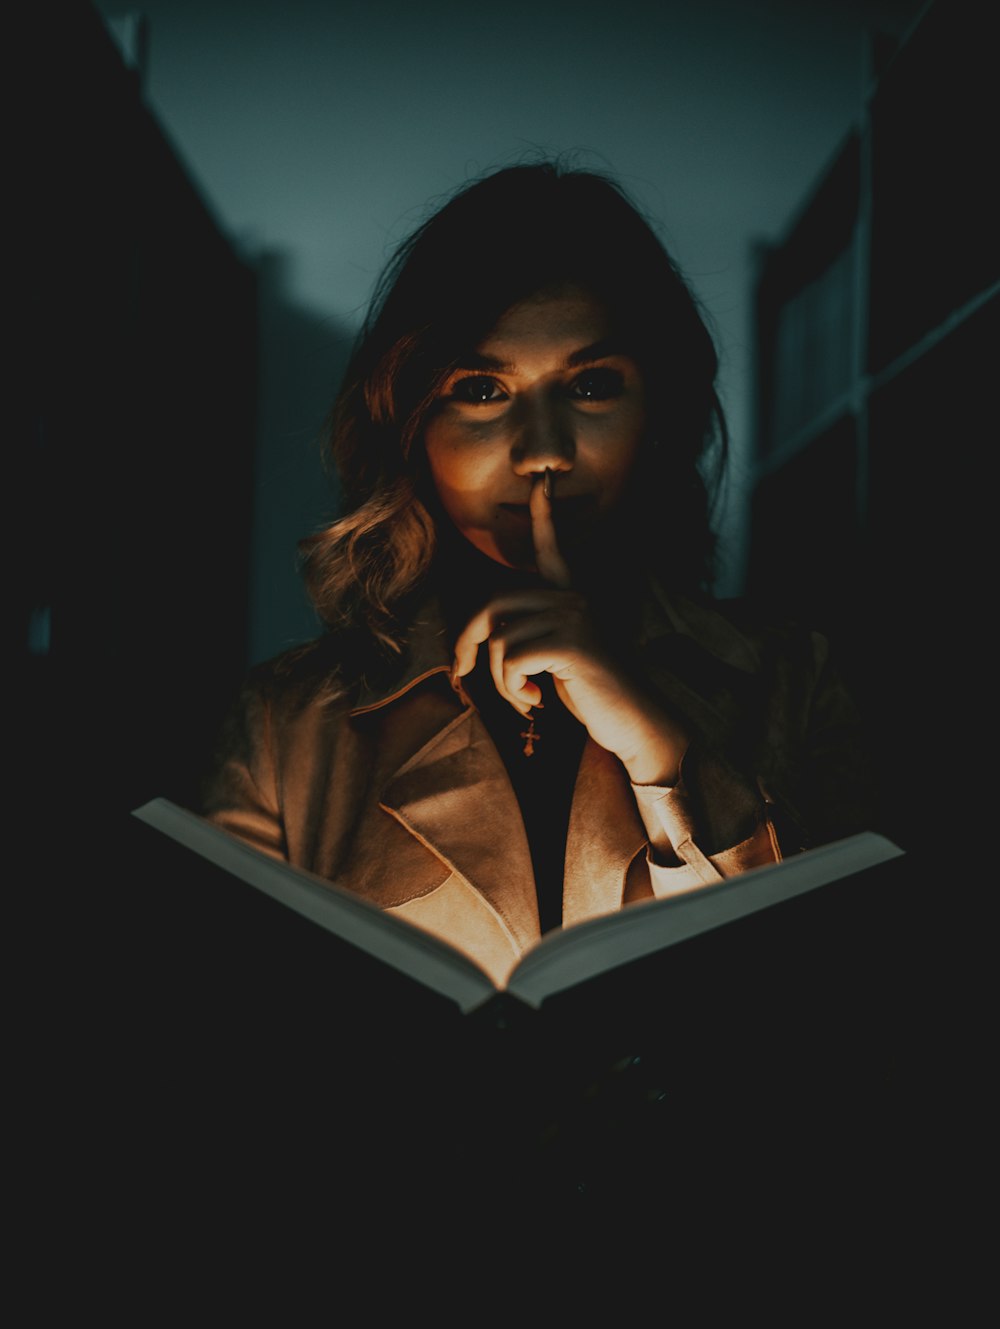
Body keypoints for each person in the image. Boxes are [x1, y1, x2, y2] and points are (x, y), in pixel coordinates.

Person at [200, 160, 874, 990]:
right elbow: (218, 1031)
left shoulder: (794, 681)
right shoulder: (284, 728)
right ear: (412, 425)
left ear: (657, 415)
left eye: (591, 385)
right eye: (481, 389)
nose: (544, 450)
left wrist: (664, 760)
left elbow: (840, 1013)